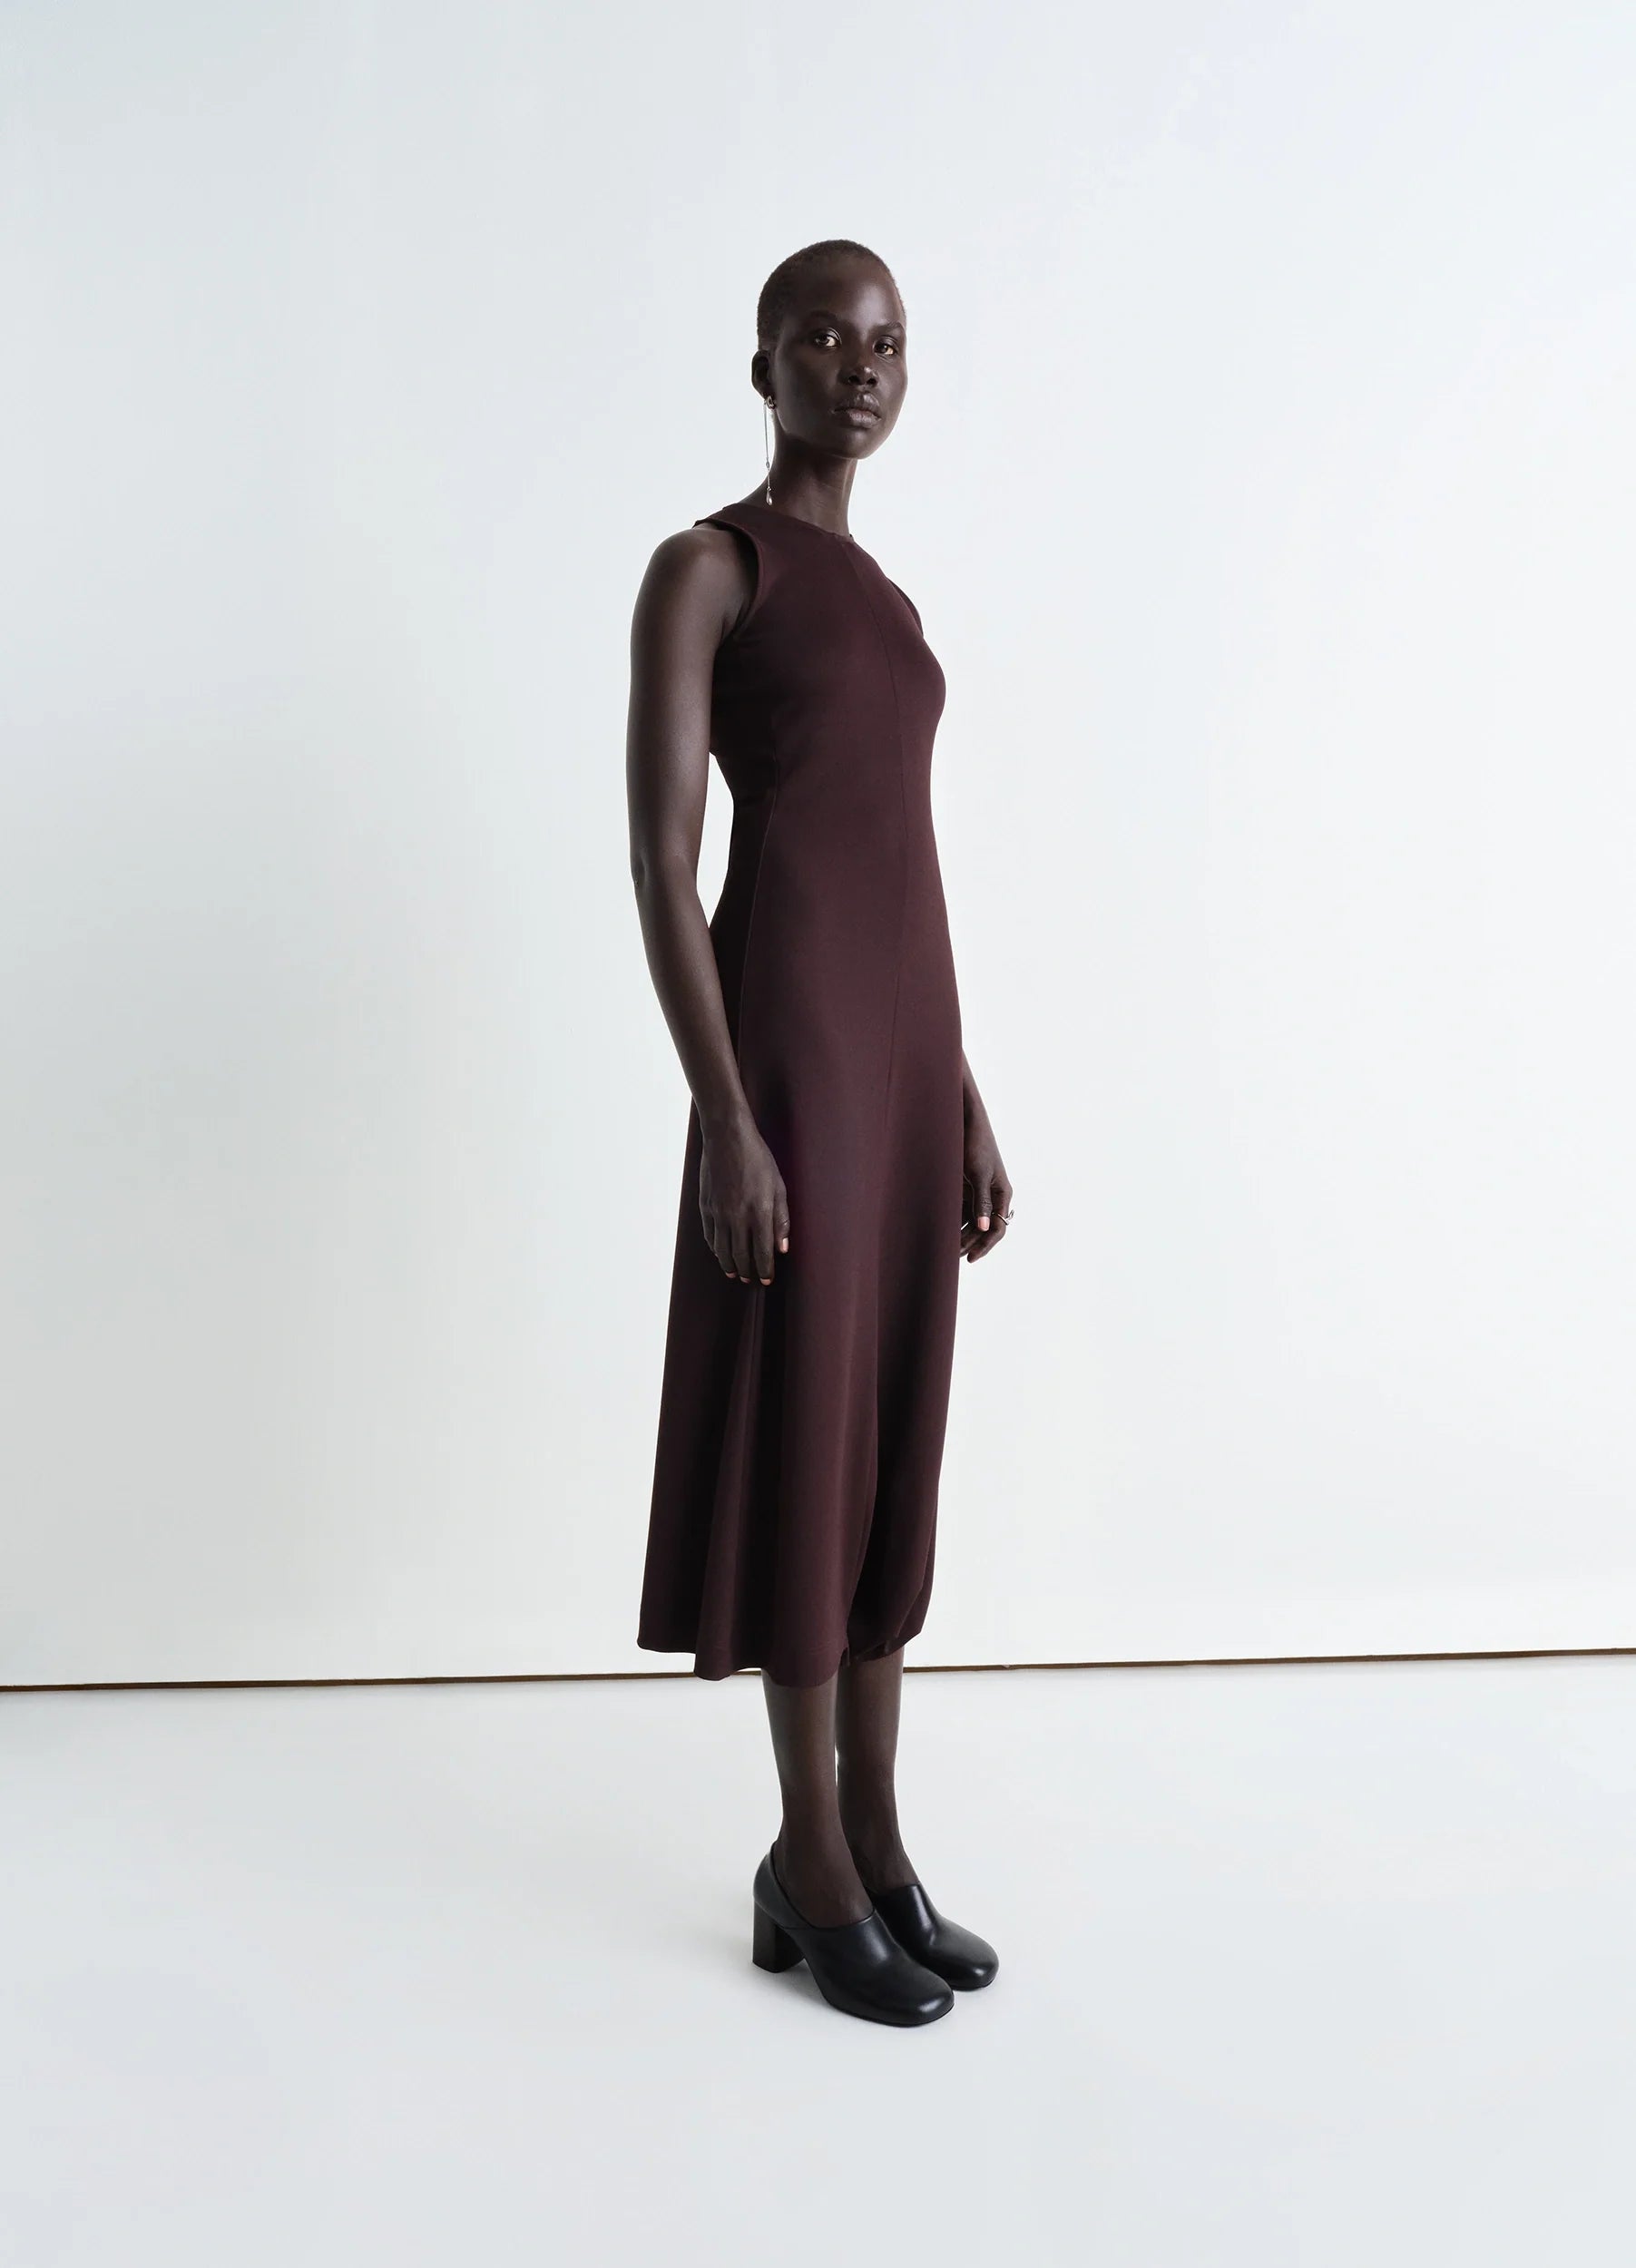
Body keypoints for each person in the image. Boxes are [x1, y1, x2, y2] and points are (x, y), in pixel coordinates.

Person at [626, 240, 1013, 2026]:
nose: (859, 368)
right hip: (787, 1053)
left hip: (906, 1056)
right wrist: (724, 1114)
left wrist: (964, 1091)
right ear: (763, 363)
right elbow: (662, 859)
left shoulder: (890, 599)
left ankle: (875, 1836)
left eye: (886, 344)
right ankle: (809, 1854)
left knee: (889, 1440)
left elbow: (896, 863)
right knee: (807, 1431)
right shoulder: (711, 567)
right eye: (822, 339)